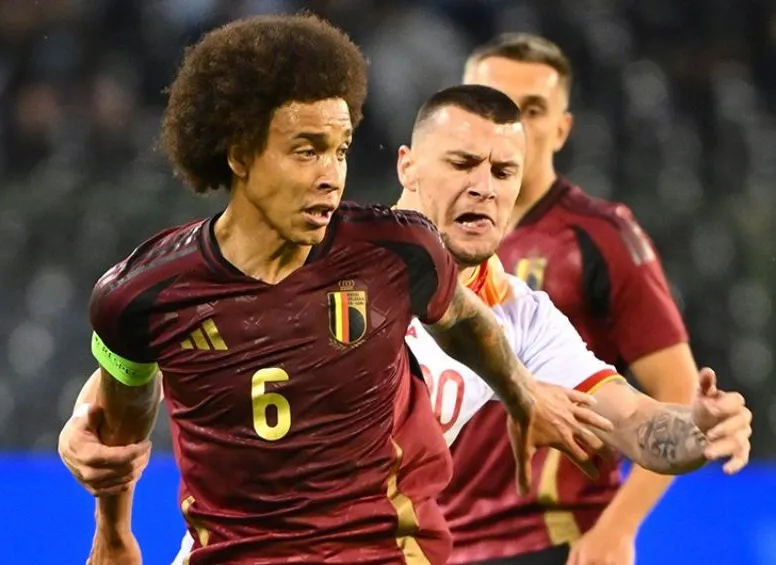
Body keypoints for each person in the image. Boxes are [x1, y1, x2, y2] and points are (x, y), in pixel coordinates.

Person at [63, 85, 753, 565]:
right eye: (463, 163)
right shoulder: (329, 248)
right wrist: (81, 426)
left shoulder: (519, 318)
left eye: (504, 171)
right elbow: (141, 365)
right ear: (407, 165)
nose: (484, 186)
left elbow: (634, 424)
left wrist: (699, 430)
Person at [78, 15, 606, 565]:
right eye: (307, 151)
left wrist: (521, 395)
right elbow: (121, 414)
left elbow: (464, 317)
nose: (331, 175)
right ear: (239, 154)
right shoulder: (141, 294)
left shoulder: (396, 249)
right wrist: (112, 531)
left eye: (341, 150)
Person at [447, 33, 718, 564]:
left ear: (562, 128)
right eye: (494, 104)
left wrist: (616, 529)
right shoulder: (425, 242)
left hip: (551, 538)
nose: (512, 125)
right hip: (436, 540)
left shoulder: (599, 237)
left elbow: (677, 391)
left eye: (531, 109)